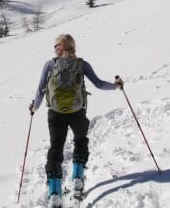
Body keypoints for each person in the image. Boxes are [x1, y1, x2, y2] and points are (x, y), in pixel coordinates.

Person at [29, 34, 123, 206]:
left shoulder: (50, 64)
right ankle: (77, 178)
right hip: (77, 111)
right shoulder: (81, 64)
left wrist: (34, 107)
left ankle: (55, 192)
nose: (54, 48)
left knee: (56, 147)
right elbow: (99, 84)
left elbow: (41, 90)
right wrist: (116, 85)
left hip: (55, 113)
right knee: (80, 140)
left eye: (55, 45)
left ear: (60, 46)